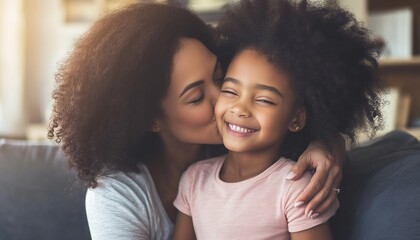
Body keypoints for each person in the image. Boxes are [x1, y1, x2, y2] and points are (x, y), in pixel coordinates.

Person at [48, 2, 344, 239]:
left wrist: (326, 143)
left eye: (220, 78)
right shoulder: (118, 196)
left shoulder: (246, 143)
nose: (226, 104)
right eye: (196, 97)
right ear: (150, 118)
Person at [172, 0, 383, 239]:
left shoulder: (296, 188)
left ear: (296, 118)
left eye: (264, 100)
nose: (240, 108)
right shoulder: (194, 179)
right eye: (230, 91)